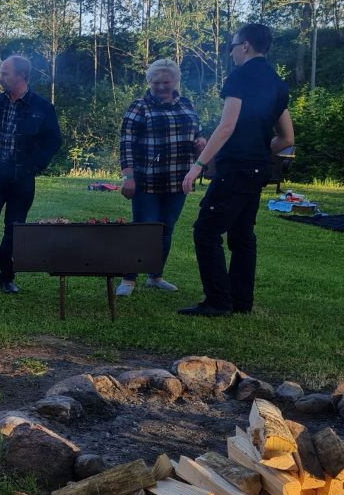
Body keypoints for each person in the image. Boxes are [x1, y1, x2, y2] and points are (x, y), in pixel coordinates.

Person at [179, 23, 293, 317]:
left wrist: (198, 165)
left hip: (236, 169)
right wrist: (259, 153)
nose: (230, 53)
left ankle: (218, 301)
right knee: (242, 235)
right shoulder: (278, 84)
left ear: (245, 46)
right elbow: (286, 138)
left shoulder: (240, 76)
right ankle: (241, 301)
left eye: (232, 47)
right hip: (258, 170)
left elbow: (226, 126)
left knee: (206, 231)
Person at [0, 55, 62, 296]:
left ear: (21, 76)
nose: (0, 77)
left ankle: (6, 276)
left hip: (22, 177)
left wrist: (35, 166)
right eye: (1, 73)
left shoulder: (42, 108)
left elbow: (53, 141)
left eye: (5, 73)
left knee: (15, 229)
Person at [115, 59, 208, 297]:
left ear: (175, 81)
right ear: (149, 82)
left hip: (179, 180)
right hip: (147, 181)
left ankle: (155, 276)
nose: (161, 87)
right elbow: (126, 144)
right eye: (155, 82)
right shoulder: (139, 107)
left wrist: (201, 143)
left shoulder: (187, 104)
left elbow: (198, 134)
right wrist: (128, 177)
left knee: (166, 229)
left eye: (166, 82)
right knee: (143, 229)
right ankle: (128, 279)